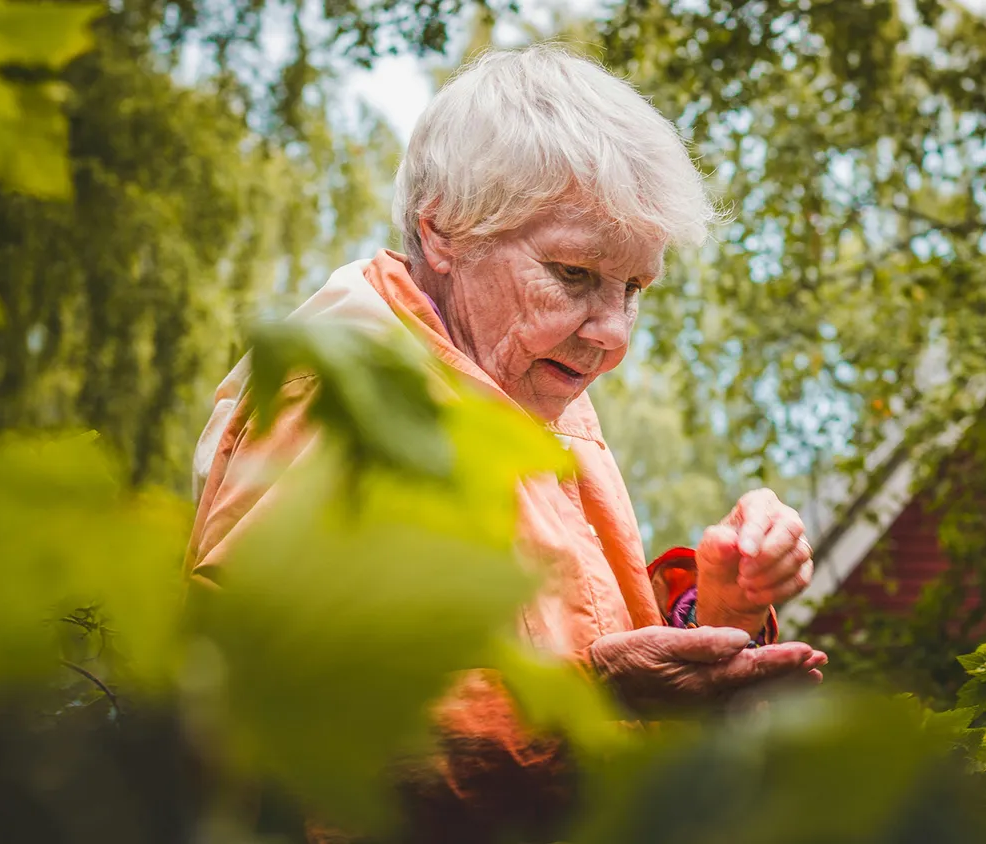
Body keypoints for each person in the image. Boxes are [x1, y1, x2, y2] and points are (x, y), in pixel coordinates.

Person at [187, 43, 825, 842]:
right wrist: (592, 700)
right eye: (574, 274)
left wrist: (715, 605)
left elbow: (570, 638)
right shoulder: (344, 405)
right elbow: (273, 727)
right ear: (444, 230)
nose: (613, 334)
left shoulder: (518, 378)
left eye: (636, 288)